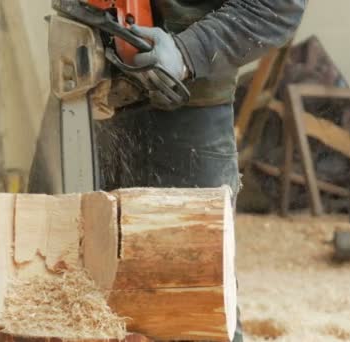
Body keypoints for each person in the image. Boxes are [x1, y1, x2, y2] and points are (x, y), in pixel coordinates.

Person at [96, 1, 307, 341]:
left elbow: (277, 7)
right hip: (84, 90)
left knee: (196, 303)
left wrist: (187, 52)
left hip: (184, 107)